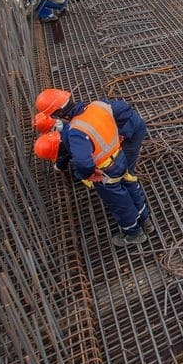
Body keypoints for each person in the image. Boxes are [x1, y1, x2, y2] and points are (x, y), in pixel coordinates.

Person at [34, 88, 151, 246]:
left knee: (119, 202)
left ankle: (134, 233)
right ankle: (146, 221)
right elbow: (120, 110)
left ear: (58, 114)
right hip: (120, 157)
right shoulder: (97, 106)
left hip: (105, 170)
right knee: (130, 186)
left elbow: (82, 162)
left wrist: (87, 174)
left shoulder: (76, 131)